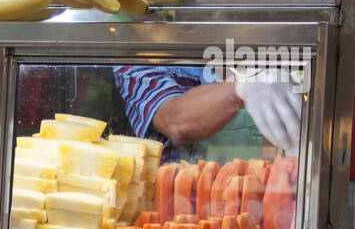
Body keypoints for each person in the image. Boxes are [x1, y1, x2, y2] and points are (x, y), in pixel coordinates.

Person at [113, 63, 303, 161]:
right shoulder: (141, 53)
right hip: (188, 218)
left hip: (279, 208)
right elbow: (175, 123)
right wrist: (244, 85)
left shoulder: (280, 40)